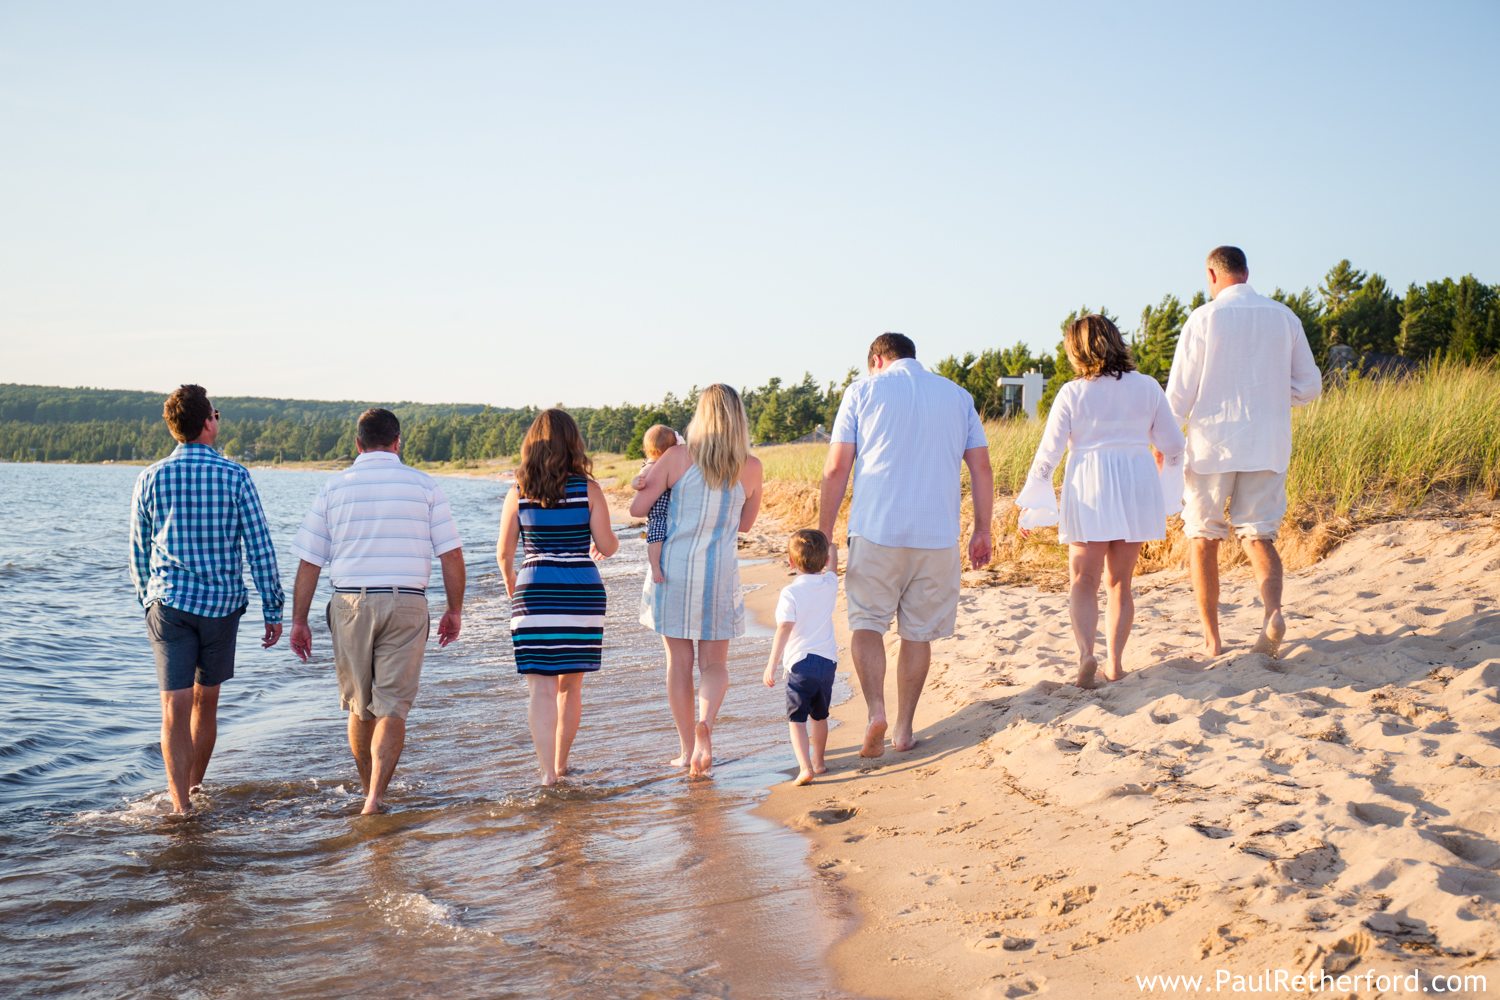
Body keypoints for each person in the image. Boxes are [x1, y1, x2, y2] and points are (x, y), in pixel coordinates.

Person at [820, 333, 993, 758]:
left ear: (877, 360)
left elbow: (838, 467)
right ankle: (903, 728)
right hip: (937, 536)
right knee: (917, 635)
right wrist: (982, 529)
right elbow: (982, 468)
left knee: (866, 625)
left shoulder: (862, 391)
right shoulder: (957, 395)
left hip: (877, 529)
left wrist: (824, 537)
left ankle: (876, 709)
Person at [288, 408, 465, 815]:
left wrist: (299, 620)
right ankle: (375, 798)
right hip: (407, 602)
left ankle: (368, 788)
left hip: (350, 602)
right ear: (397, 442)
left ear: (358, 444)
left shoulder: (333, 488)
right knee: (393, 707)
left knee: (358, 706)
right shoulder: (424, 486)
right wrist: (454, 610)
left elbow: (309, 561)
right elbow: (451, 555)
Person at [129, 385, 284, 816]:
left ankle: (179, 806)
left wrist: (148, 601)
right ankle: (194, 789)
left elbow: (138, 552)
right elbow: (260, 548)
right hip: (221, 607)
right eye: (216, 412)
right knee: (205, 702)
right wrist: (273, 609)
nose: (218, 419)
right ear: (207, 422)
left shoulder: (151, 477)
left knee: (173, 708)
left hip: (170, 605)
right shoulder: (236, 476)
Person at [1166, 246, 1322, 659]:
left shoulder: (1204, 318)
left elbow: (1178, 394)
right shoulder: (1284, 316)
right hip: (1267, 442)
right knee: (1259, 535)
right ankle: (1272, 613)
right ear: (1247, 273)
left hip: (1211, 444)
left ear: (1211, 276)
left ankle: (1213, 639)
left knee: (1203, 537)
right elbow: (1309, 386)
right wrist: (1269, 395)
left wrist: (1162, 442)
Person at [1016, 315, 1186, 688]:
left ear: (1076, 350)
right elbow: (1174, 446)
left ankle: (1085, 655)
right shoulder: (1147, 387)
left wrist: (1033, 504)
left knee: (1082, 579)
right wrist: (1166, 481)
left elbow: (1049, 453)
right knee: (1120, 583)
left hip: (1090, 483)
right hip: (1136, 481)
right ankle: (1116, 664)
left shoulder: (1073, 392)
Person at [631, 384, 764, 778]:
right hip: (718, 576)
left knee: (679, 663)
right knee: (714, 665)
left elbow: (638, 509)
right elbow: (745, 524)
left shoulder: (676, 457)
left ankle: (688, 749)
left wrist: (647, 481)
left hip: (671, 571)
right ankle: (706, 725)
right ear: (739, 419)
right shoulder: (751, 467)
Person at [497, 409, 619, 786]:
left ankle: (547, 774)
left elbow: (504, 554)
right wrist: (596, 546)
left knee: (541, 688)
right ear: (572, 442)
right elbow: (608, 546)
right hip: (582, 593)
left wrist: (514, 592)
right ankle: (563, 763)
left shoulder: (518, 490)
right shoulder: (589, 489)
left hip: (534, 591)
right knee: (571, 686)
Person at [761, 529, 839, 785]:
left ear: (791, 563)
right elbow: (834, 565)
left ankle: (805, 768)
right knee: (820, 715)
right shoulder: (830, 583)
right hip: (827, 664)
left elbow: (784, 628)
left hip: (800, 664)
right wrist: (833, 547)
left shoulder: (790, 593)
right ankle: (819, 762)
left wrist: (772, 664)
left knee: (796, 720)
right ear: (825, 560)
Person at [631, 423, 680, 585]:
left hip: (668, 511)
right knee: (656, 539)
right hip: (657, 514)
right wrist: (636, 483)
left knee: (659, 539)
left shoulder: (665, 464)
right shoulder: (651, 465)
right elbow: (638, 479)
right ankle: (655, 567)